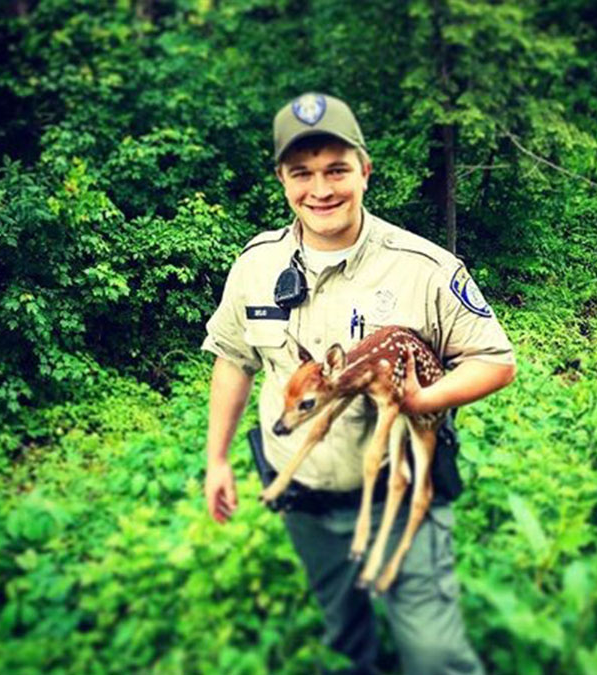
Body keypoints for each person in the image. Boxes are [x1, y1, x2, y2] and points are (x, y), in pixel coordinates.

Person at [201, 92, 516, 674]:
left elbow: (494, 360)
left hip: (404, 499)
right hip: (307, 501)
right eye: (302, 173)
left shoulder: (425, 268)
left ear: (365, 172)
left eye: (337, 170)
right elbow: (232, 358)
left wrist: (422, 397)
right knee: (347, 637)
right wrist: (216, 457)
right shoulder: (255, 267)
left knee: (434, 655)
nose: (320, 190)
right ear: (282, 180)